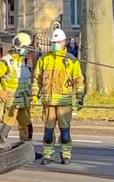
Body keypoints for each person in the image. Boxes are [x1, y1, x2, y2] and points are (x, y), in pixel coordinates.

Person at [33, 28, 85, 165]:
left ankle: (65, 155)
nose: (55, 44)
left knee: (65, 133)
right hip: (48, 103)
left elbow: (78, 80)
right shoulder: (44, 59)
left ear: (63, 42)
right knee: (48, 134)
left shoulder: (71, 60)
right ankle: (48, 156)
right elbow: (37, 79)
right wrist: (34, 95)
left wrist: (80, 97)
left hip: (64, 103)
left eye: (57, 42)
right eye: (53, 42)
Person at [0, 32, 34, 143]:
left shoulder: (23, 61)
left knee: (26, 124)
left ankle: (27, 147)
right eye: (26, 47)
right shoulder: (7, 61)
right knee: (8, 123)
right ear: (20, 47)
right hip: (12, 100)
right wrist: (1, 92)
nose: (28, 50)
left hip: (23, 100)